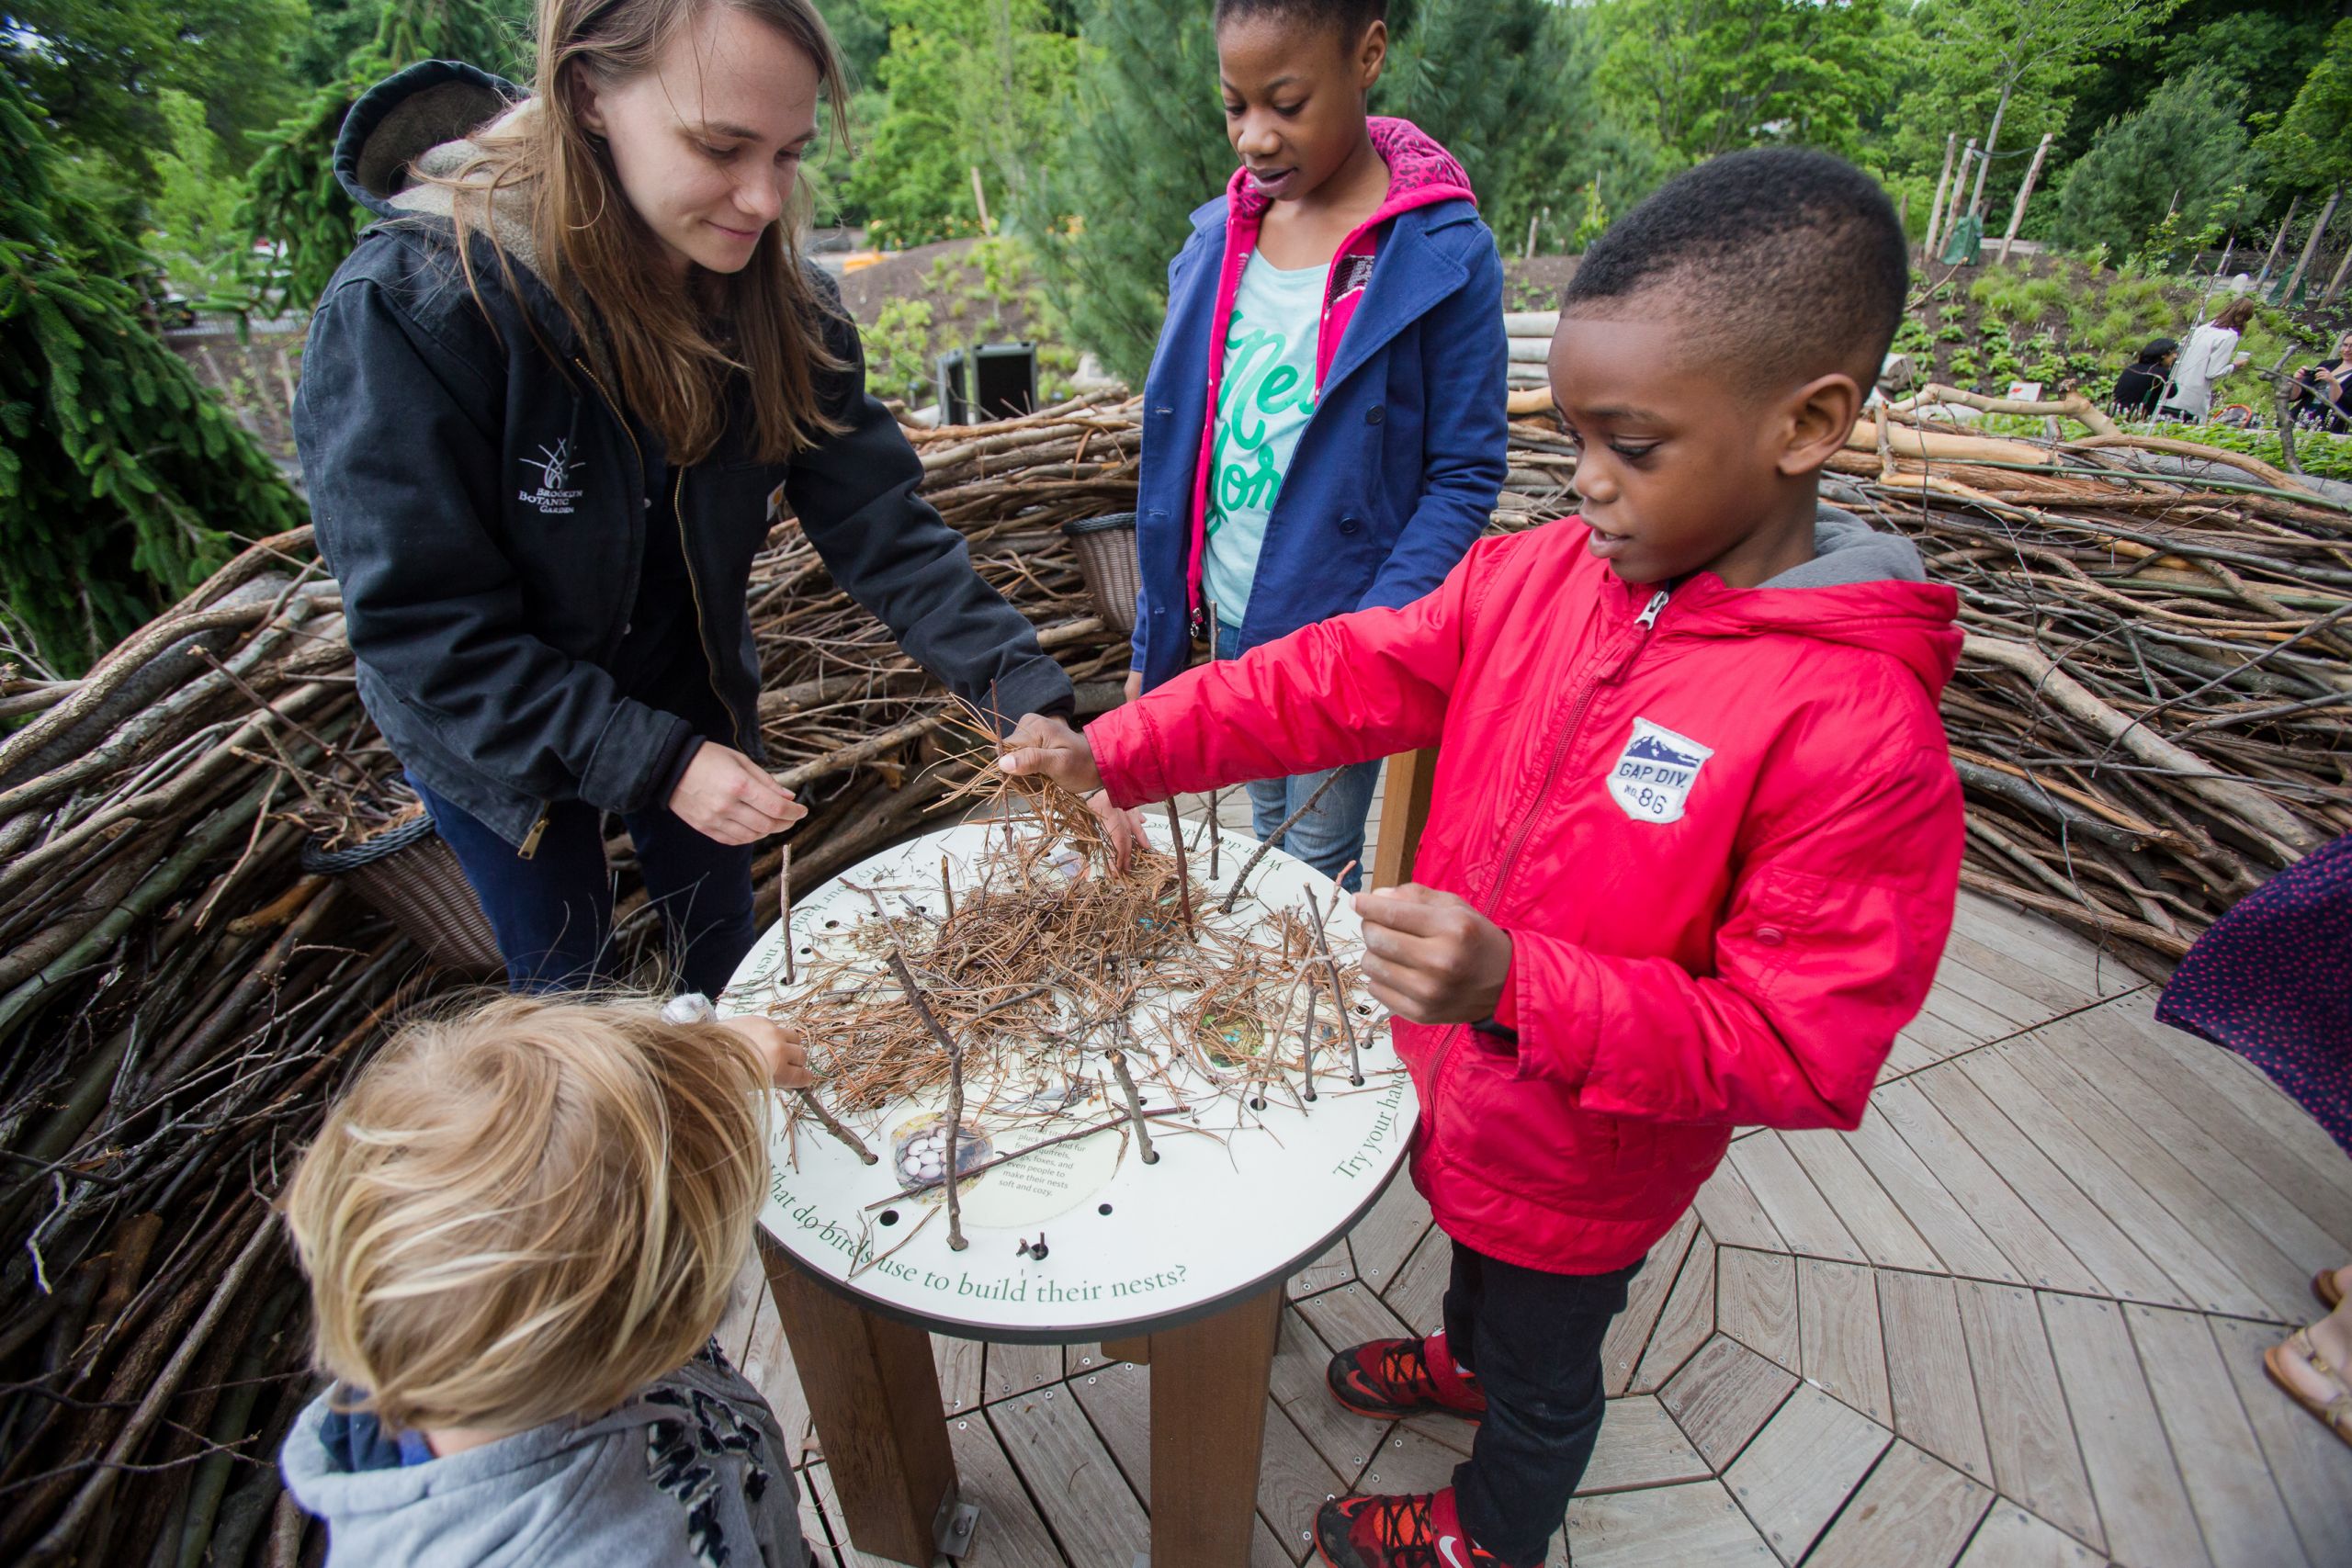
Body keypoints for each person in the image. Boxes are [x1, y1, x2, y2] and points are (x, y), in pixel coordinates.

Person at [1004, 149, 1963, 1568]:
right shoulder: (1541, 581)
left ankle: (1495, 1524)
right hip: (1465, 1097)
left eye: (1631, 447)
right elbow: (1329, 677)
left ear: (1807, 423)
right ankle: (1462, 1357)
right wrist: (1122, 748)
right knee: (1477, 1258)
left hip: (1591, 1164)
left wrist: (1520, 982)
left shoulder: (1855, 731)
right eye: (1572, 437)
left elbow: (1803, 1048)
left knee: (1547, 1356)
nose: (1586, 485)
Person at [296, 0, 1087, 999]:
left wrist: (1020, 692)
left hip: (688, 691)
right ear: (589, 94)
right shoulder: (418, 308)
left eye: (790, 154)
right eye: (720, 147)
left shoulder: (779, 305)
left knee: (726, 955)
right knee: (572, 986)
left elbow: (881, 524)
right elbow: (424, 630)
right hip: (494, 727)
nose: (760, 200)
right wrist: (654, 762)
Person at [1121, 0, 1508, 891]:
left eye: (1286, 104)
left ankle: (1311, 1013)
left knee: (1312, 855)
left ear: (1366, 56)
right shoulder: (1215, 244)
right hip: (1236, 622)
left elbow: (1463, 471)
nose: (1254, 137)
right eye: (1234, 105)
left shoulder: (1440, 253)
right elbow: (1176, 445)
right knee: (1263, 829)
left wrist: (1378, 627)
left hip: (1341, 638)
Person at [277, 993, 817, 1563]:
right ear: (673, 1310)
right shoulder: (609, 1549)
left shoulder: (447, 1326)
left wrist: (715, 1061)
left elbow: (561, 1160)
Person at [2157, 295, 2257, 422]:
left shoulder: (2203, 328)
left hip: (2172, 388)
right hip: (2193, 395)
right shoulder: (2228, 337)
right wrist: (2235, 365)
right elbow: (2213, 372)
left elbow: (2179, 349)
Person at [2290, 329, 2352, 434]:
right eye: (2345, 345)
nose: (2346, 350)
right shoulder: (2326, 365)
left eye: (2351, 347)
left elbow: (2346, 406)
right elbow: (2294, 396)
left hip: (2327, 427)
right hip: (2299, 418)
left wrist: (2333, 382)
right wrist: (2297, 380)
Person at [2110, 338, 2177, 419]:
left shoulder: (2131, 368)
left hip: (2115, 413)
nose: (2175, 356)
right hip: (2137, 417)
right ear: (2163, 355)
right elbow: (2172, 393)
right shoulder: (2160, 372)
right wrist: (2169, 370)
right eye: (2173, 353)